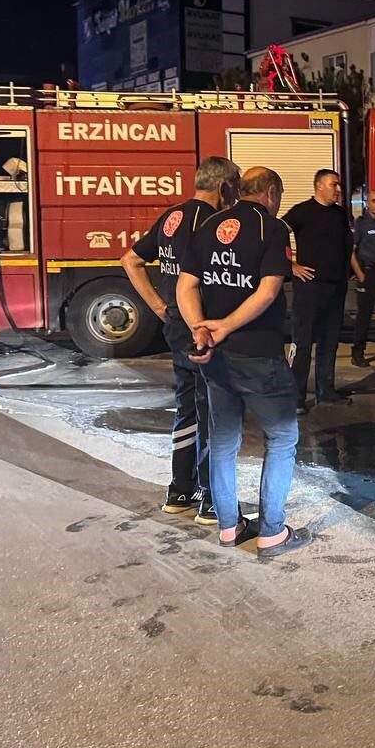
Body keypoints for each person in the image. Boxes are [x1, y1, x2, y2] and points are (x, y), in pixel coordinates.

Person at [176, 167, 308, 558]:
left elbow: (186, 286)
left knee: (222, 441)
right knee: (282, 438)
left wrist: (201, 330)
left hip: (216, 360)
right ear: (270, 193)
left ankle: (229, 528)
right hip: (259, 354)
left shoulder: (208, 223)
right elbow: (268, 292)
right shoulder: (273, 229)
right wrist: (226, 326)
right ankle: (271, 532)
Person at [121, 156, 240, 523]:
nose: (235, 195)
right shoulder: (214, 223)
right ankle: (208, 498)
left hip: (175, 326)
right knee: (211, 411)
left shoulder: (171, 218)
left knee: (187, 406)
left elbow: (131, 260)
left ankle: (179, 490)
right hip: (200, 328)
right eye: (234, 186)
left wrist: (159, 305)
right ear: (223, 187)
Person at [282, 169, 353, 410]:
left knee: (330, 341)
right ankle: (296, 397)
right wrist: (291, 265)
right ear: (319, 186)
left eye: (339, 185)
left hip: (335, 288)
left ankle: (326, 390)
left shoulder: (340, 214)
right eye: (334, 185)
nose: (339, 190)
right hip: (309, 289)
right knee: (302, 344)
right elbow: (276, 234)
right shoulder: (302, 211)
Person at [350, 190, 375, 367]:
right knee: (364, 315)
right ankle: (357, 352)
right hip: (367, 272)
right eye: (374, 201)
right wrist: (360, 274)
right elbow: (351, 251)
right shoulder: (362, 223)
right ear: (367, 204)